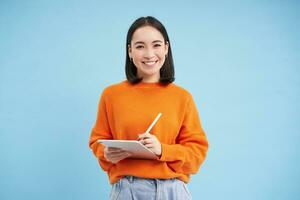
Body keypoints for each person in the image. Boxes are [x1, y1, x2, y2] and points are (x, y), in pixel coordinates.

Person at [89, 16, 209, 200]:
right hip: (127, 190)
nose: (149, 54)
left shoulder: (182, 97)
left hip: (172, 191)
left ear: (166, 48)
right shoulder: (111, 95)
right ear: (130, 51)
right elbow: (97, 142)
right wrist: (106, 153)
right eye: (140, 46)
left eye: (156, 45)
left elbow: (197, 154)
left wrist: (161, 150)